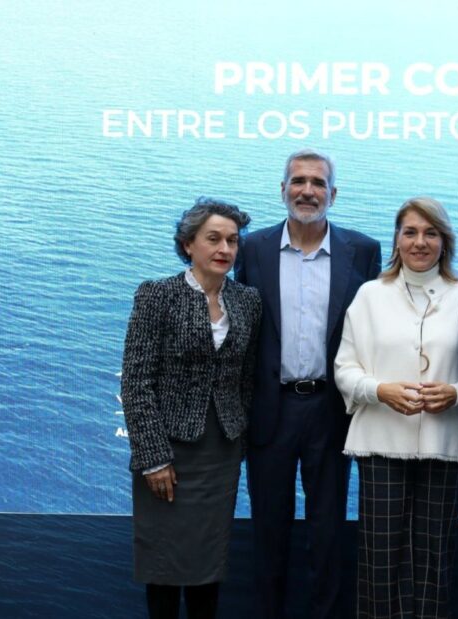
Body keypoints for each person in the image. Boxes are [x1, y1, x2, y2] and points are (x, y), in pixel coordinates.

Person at [236, 149, 382, 619]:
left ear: (333, 194)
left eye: (318, 183)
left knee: (328, 531)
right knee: (268, 531)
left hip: (331, 410)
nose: (307, 191)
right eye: (297, 181)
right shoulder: (252, 248)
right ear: (282, 190)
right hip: (270, 409)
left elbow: (373, 330)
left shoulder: (363, 250)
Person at [334, 197, 458, 619]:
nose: (419, 242)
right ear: (396, 239)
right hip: (380, 442)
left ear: (445, 241)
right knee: (379, 560)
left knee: (435, 562)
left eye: (430, 233)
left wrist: (456, 393)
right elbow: (344, 369)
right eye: (410, 232)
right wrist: (380, 391)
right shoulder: (369, 295)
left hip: (445, 443)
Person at [121, 197, 261, 619]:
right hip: (169, 454)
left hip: (221, 452)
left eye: (233, 241)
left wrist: (242, 443)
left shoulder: (248, 300)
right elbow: (136, 382)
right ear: (188, 245)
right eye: (213, 239)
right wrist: (153, 458)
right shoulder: (157, 295)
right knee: (164, 563)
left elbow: (247, 378)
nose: (225, 249)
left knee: (208, 562)